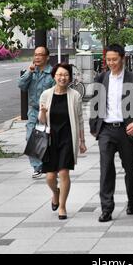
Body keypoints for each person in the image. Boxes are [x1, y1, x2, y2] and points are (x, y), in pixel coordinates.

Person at [89, 44, 133, 223]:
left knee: (130, 167)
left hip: (125, 130)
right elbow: (95, 104)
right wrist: (93, 126)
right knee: (106, 169)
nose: (111, 63)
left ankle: (131, 200)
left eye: (114, 59)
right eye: (108, 60)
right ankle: (107, 208)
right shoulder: (101, 78)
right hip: (105, 129)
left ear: (123, 58)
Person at [38, 63, 87, 220]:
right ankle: (55, 192)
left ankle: (62, 206)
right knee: (50, 177)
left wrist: (82, 141)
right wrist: (43, 113)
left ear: (70, 78)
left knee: (64, 172)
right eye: (59, 74)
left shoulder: (75, 96)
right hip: (50, 138)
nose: (62, 77)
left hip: (67, 137)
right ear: (54, 76)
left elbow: (79, 119)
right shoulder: (46, 95)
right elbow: (41, 121)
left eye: (65, 75)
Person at [18, 46, 55, 179]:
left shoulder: (52, 73)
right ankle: (38, 167)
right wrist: (29, 72)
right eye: (35, 55)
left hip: (48, 111)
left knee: (47, 139)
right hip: (34, 110)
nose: (37, 57)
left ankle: (49, 165)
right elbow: (21, 85)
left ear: (47, 57)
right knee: (30, 138)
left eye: (40, 55)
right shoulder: (31, 72)